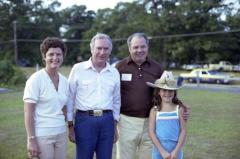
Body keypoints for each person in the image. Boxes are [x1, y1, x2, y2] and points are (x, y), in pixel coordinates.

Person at [115, 32, 190, 159]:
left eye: (142, 46)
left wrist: (181, 106)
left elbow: (167, 91)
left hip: (152, 123)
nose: (139, 50)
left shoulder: (157, 68)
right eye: (135, 47)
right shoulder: (120, 67)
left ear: (147, 47)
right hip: (126, 122)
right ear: (129, 48)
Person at [67, 33, 121, 159]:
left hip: (107, 121)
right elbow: (70, 98)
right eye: (99, 48)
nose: (102, 52)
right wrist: (70, 125)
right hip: (84, 121)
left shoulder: (114, 72)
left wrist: (115, 125)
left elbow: (116, 100)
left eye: (106, 49)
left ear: (110, 50)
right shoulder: (78, 69)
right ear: (92, 49)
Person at [23, 37, 69, 159]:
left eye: (58, 54)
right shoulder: (35, 80)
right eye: (51, 54)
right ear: (44, 57)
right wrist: (31, 139)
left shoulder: (65, 81)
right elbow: (28, 112)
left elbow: (64, 108)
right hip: (42, 135)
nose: (55, 58)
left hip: (61, 133)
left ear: (63, 56)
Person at [147, 71, 187, 159]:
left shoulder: (179, 109)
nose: (167, 93)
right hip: (159, 150)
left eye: (170, 90)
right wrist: (162, 151)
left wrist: (176, 151)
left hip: (175, 150)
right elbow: (151, 132)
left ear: (174, 92)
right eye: (164, 90)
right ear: (158, 92)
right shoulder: (154, 110)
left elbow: (183, 131)